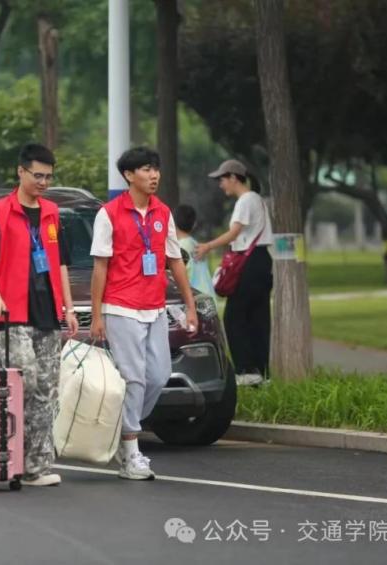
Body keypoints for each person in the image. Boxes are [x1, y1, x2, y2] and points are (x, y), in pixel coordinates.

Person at [89, 147, 198, 480]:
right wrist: (97, 315)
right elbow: (100, 267)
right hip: (121, 306)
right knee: (133, 377)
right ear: (128, 175)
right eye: (146, 169)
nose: (154, 175)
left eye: (156, 169)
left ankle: (122, 428)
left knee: (159, 375)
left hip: (155, 306)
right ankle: (131, 452)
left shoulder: (163, 212)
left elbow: (175, 261)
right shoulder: (108, 214)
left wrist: (190, 305)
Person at [0, 143, 79, 487]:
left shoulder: (52, 213)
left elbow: (60, 263)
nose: (44, 183)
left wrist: (68, 307)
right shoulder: (0, 211)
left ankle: (36, 467)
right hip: (12, 314)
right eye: (38, 175)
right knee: (25, 380)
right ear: (20, 172)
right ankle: (5, 455)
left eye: (49, 177)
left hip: (47, 313)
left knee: (46, 391)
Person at [196, 159, 274, 386]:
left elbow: (234, 233)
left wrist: (208, 246)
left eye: (222, 179)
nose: (221, 184)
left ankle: (246, 370)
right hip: (261, 261)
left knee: (233, 317)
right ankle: (261, 371)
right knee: (258, 318)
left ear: (233, 177)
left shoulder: (245, 200)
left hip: (248, 263)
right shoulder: (256, 199)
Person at [173, 204, 217, 301]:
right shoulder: (196, 245)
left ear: (173, 223)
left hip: (196, 300)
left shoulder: (180, 248)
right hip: (208, 298)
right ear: (194, 225)